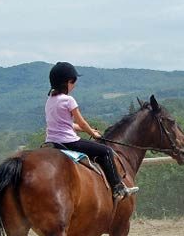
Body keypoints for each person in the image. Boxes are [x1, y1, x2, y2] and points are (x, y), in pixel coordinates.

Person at [45, 61, 139, 200]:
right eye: (74, 81)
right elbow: (82, 123)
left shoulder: (50, 100)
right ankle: (118, 188)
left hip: (52, 142)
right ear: (68, 82)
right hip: (69, 142)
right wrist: (92, 133)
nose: (74, 85)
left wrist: (86, 130)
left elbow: (67, 124)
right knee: (106, 151)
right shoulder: (68, 100)